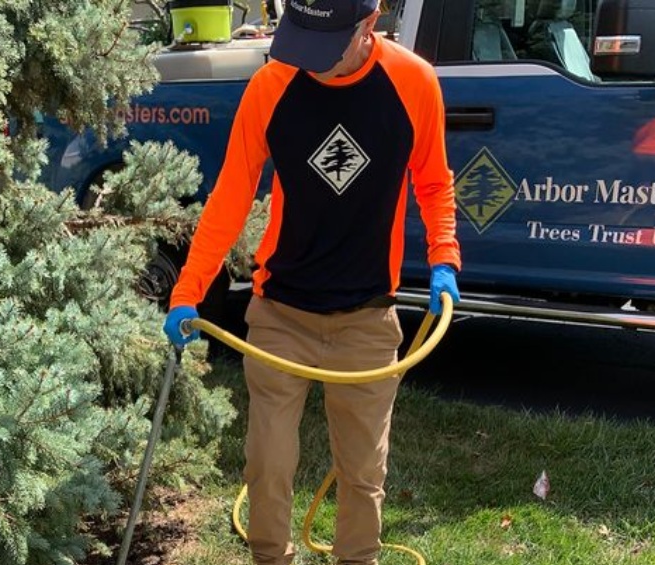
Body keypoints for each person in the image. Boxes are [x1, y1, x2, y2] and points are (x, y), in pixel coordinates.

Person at [163, 0, 461, 562]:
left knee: (363, 471)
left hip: (368, 315)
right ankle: (270, 556)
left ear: (369, 24)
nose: (309, 62)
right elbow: (231, 196)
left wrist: (445, 258)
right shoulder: (271, 86)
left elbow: (434, 182)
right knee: (268, 463)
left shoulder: (414, 84)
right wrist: (187, 291)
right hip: (281, 312)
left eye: (324, 46)